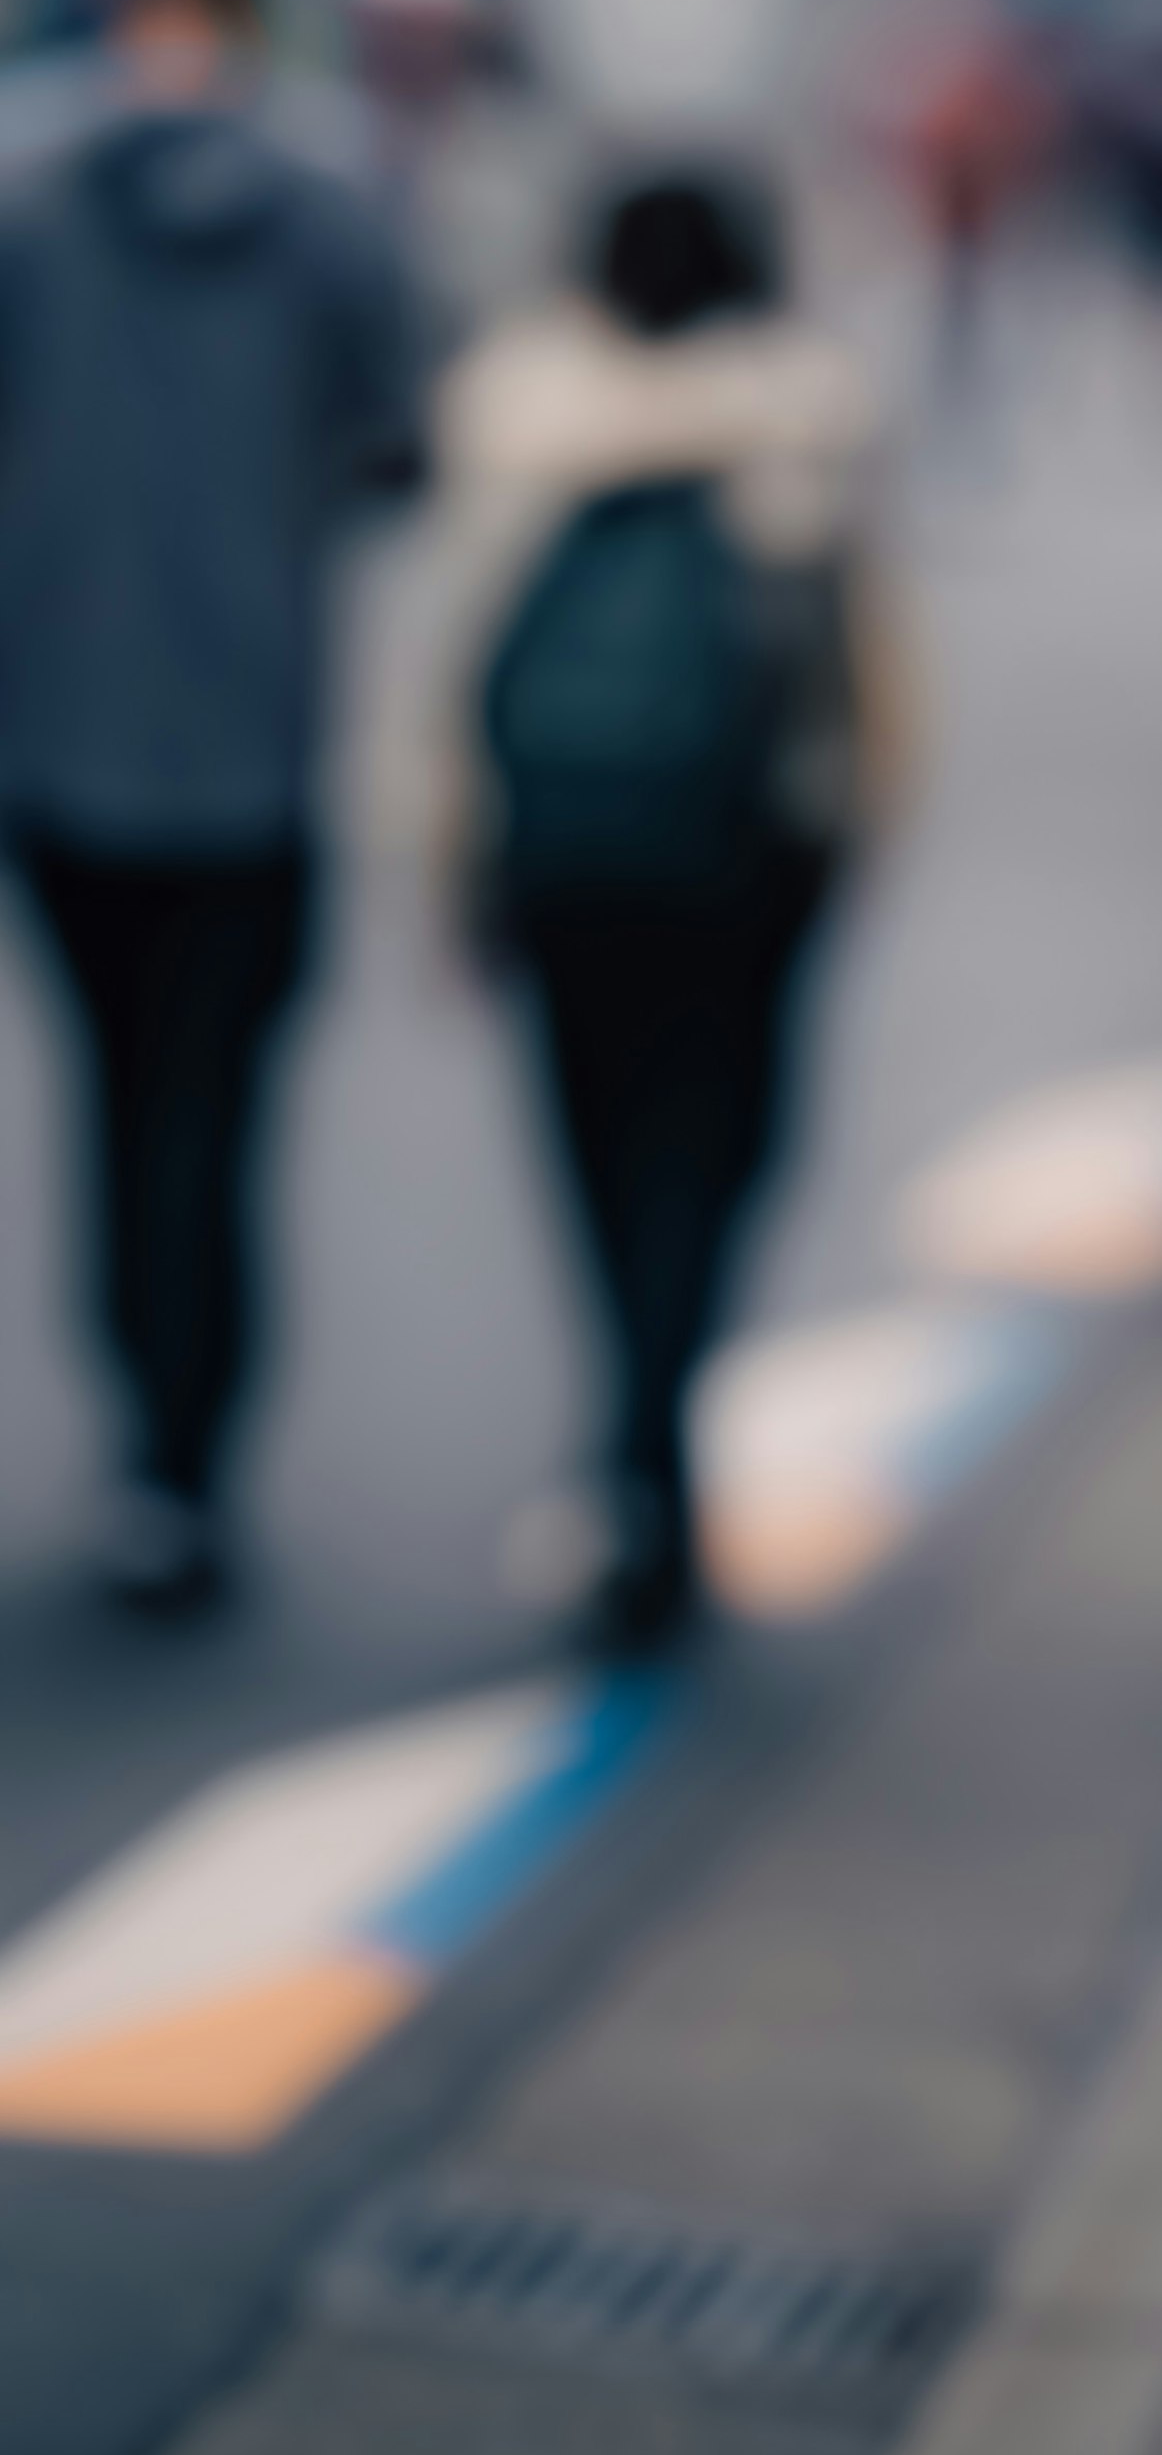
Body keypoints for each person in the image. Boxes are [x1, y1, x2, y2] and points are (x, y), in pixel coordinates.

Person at [0, 0, 423, 1615]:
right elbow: (395, 448)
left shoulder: (20, 195)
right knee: (217, 1107)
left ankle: (141, 1441)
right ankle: (197, 1435)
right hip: (257, 738)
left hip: (55, 736)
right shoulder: (338, 204)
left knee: (108, 1097)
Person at [440, 166, 891, 1658]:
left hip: (561, 852)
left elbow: (452, 663)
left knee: (592, 1139)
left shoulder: (519, 413)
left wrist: (450, 854)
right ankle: (654, 1427)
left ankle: (632, 1433)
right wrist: (861, 822)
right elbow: (871, 664)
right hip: (745, 856)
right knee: (719, 1146)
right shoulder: (806, 415)